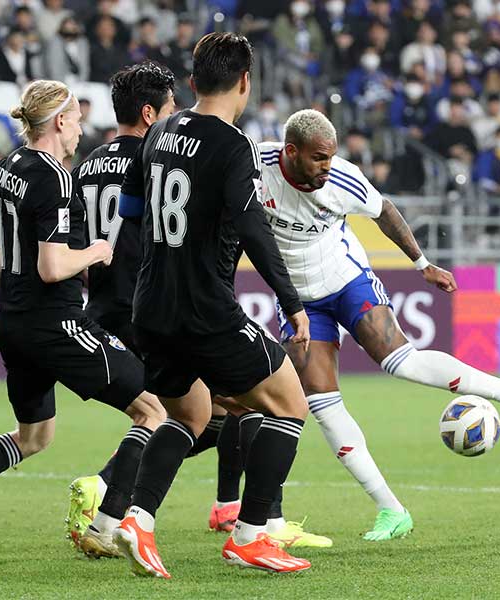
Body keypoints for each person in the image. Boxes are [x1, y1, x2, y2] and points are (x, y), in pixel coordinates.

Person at [257, 109, 500, 540]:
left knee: (403, 364)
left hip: (346, 279)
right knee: (323, 404)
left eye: (331, 158)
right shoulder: (254, 167)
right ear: (291, 152)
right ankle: (391, 511)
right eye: (318, 159)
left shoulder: (343, 179)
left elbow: (384, 210)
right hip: (296, 301)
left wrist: (422, 263)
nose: (326, 167)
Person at [0, 79, 164, 560]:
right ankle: (104, 528)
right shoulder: (55, 176)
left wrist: (12, 291)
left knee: (33, 436)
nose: (81, 129)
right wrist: (96, 250)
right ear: (60, 121)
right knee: (153, 410)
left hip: (15, 324)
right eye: (78, 119)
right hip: (56, 324)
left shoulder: (6, 167)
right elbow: (53, 266)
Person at [114, 32, 313, 578]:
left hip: (150, 305)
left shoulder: (156, 133)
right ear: (245, 82)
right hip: (202, 305)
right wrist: (290, 301)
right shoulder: (233, 145)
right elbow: (251, 226)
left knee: (191, 413)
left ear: (195, 81)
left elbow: (130, 210)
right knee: (288, 404)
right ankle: (249, 537)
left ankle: (137, 519)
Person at [64, 61, 177, 558]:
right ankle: (108, 499)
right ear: (150, 114)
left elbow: (76, 238)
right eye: (172, 108)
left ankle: (112, 506)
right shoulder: (155, 161)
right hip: (146, 307)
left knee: (174, 414)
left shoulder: (87, 162)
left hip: (104, 304)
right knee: (211, 412)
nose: (177, 118)